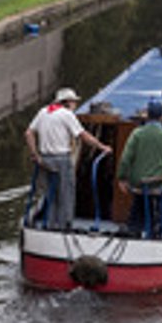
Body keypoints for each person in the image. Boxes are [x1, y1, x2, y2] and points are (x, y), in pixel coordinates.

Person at [25, 87, 109, 229]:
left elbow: (28, 133)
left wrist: (35, 154)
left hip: (44, 159)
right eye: (74, 102)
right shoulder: (66, 115)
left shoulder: (43, 112)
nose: (75, 105)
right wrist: (102, 147)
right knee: (66, 194)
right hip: (61, 159)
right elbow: (83, 135)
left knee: (50, 194)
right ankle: (64, 227)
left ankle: (49, 225)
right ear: (68, 102)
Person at [117, 99, 162, 237]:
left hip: (138, 182)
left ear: (147, 115)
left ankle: (134, 231)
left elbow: (126, 158)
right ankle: (155, 233)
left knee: (138, 205)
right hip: (157, 182)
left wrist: (122, 178)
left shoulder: (137, 134)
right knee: (155, 206)